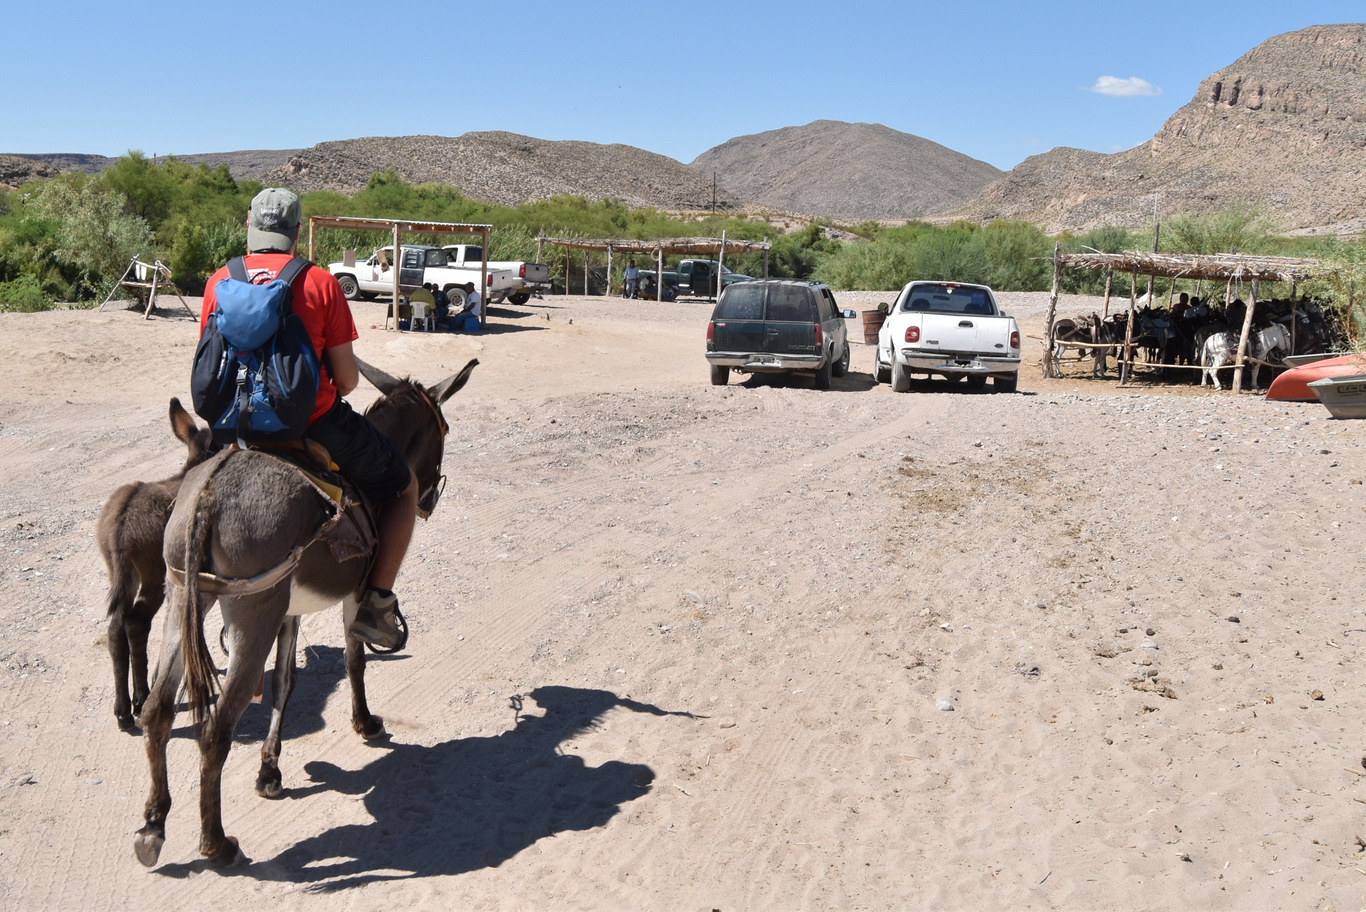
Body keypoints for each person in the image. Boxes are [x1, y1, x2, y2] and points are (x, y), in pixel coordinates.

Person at [198, 188, 415, 650]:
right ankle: (376, 604)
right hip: (310, 423)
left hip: (232, 427)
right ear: (297, 232)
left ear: (250, 229)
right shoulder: (319, 282)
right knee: (402, 486)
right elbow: (348, 380)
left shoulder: (220, 279)